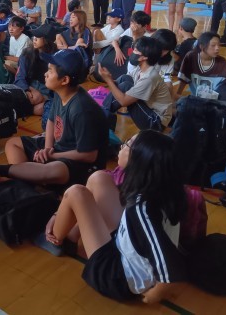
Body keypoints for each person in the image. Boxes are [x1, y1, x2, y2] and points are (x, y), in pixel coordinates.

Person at [37, 130, 187, 303]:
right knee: (98, 179)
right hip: (125, 248)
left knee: (75, 192)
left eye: (128, 144)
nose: (122, 146)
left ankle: (54, 239)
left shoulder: (141, 209)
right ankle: (70, 237)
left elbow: (172, 268)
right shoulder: (161, 188)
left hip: (116, 276)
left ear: (138, 160)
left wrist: (155, 295)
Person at [0, 49, 109, 187]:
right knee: (12, 144)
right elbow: (51, 121)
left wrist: (53, 156)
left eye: (50, 71)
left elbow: (89, 156)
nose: (45, 74)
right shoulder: (60, 93)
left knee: (55, 170)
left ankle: (7, 173)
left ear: (64, 80)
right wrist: (47, 149)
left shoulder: (82, 109)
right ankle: (28, 183)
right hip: (58, 148)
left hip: (81, 162)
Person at [100, 36, 173, 131]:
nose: (132, 52)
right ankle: (103, 115)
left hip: (156, 122)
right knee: (125, 78)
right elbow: (118, 85)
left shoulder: (149, 77)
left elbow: (123, 101)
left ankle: (102, 119)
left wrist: (108, 81)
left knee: (126, 86)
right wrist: (109, 78)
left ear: (144, 57)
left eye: (135, 50)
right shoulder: (140, 68)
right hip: (148, 109)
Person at [177, 31, 226, 105]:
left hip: (219, 92)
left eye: (219, 45)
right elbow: (184, 78)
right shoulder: (191, 57)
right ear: (202, 46)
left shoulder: (221, 61)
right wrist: (177, 94)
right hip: (200, 97)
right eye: (213, 45)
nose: (217, 48)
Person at [15, 23, 58, 115]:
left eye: (38, 37)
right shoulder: (27, 54)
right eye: (34, 36)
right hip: (30, 86)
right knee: (35, 98)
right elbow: (20, 76)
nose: (34, 39)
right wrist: (26, 90)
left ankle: (27, 110)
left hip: (48, 89)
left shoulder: (56, 56)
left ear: (47, 40)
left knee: (41, 108)